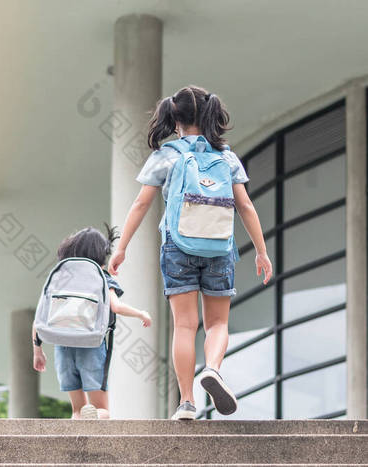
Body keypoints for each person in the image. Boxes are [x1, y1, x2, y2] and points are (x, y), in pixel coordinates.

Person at [108, 85, 273, 420]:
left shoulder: (167, 155)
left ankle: (186, 402)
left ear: (175, 117)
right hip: (219, 247)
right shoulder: (226, 157)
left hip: (177, 247)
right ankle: (212, 368)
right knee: (217, 323)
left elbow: (141, 203)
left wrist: (121, 247)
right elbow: (245, 206)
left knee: (184, 326)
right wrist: (261, 251)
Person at [32, 225, 152, 419]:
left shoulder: (60, 278)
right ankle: (96, 416)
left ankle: (78, 436)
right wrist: (141, 314)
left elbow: (40, 316)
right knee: (101, 409)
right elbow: (116, 307)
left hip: (63, 346)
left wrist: (37, 349)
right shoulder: (102, 277)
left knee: (77, 410)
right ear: (101, 255)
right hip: (91, 345)